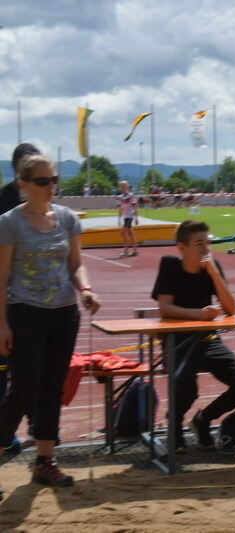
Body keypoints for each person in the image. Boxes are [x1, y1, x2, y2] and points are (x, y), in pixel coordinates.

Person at [0, 154, 101, 495]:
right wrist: (2, 324)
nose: (50, 186)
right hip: (25, 312)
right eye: (42, 181)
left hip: (63, 314)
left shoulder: (67, 218)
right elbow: (1, 279)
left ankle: (44, 460)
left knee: (52, 388)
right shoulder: (9, 223)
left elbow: (76, 265)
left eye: (54, 179)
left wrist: (85, 289)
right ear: (23, 185)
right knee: (23, 389)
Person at [151, 220, 235, 451]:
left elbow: (230, 308)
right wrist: (198, 314)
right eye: (199, 243)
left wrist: (214, 273)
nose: (205, 248)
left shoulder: (212, 266)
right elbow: (165, 308)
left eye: (207, 242)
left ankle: (203, 419)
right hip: (176, 342)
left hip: (208, 341)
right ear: (182, 247)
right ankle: (175, 425)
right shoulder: (170, 265)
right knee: (187, 388)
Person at [0, 143, 42, 455]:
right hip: (8, 298)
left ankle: (38, 430)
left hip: (33, 300)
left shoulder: (42, 202)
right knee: (6, 370)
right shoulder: (5, 202)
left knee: (32, 370)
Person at [117, 180, 139, 257]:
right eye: (121, 186)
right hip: (125, 217)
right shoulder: (120, 197)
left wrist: (136, 218)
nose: (122, 188)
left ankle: (126, 251)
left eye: (123, 186)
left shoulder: (131, 196)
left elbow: (135, 207)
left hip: (129, 216)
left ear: (127, 187)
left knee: (124, 233)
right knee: (129, 234)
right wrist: (119, 219)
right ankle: (135, 250)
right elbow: (120, 209)